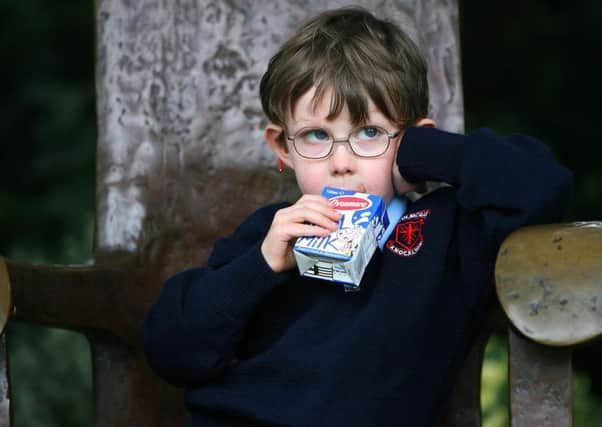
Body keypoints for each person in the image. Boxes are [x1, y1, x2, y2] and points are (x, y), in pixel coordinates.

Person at [142, 6, 573, 426]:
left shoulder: (447, 230)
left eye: (369, 133)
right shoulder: (273, 231)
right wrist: (260, 265)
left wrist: (421, 153)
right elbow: (170, 349)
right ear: (283, 148)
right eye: (316, 135)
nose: (342, 162)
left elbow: (542, 184)